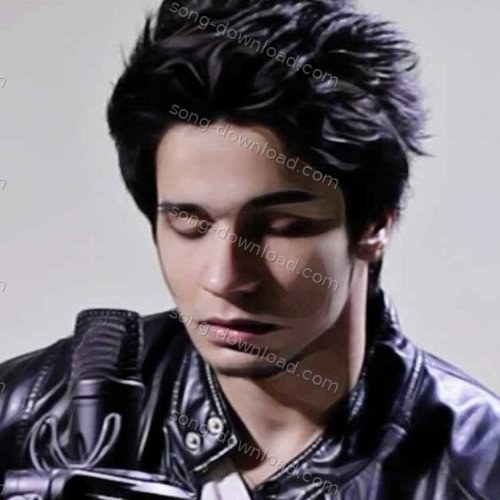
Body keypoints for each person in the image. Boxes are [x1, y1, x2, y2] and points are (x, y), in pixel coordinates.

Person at [1, 0, 499, 498]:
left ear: (374, 225)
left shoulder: (479, 470)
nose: (225, 277)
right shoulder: (24, 415)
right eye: (189, 223)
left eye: (283, 226)